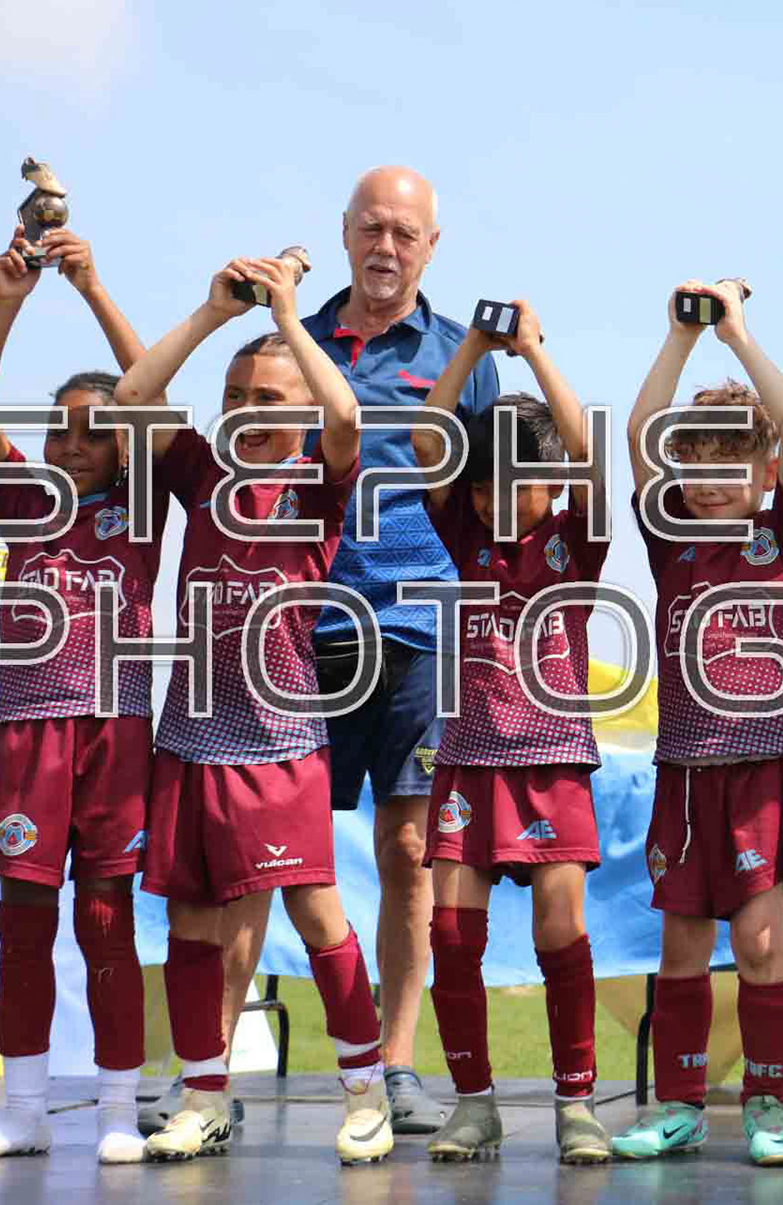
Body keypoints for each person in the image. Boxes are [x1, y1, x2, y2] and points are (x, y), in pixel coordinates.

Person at [207, 167, 499, 1137]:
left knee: (409, 849)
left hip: (422, 625)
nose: (387, 246)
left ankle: (399, 1065)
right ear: (343, 233)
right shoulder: (291, 332)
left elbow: (488, 498)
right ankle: (207, 1073)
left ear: (432, 246)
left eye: (406, 232)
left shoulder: (464, 355)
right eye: (373, 227)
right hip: (298, 626)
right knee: (263, 854)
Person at [115, 256, 392, 1166]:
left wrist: (288, 317)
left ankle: (367, 1093)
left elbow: (346, 417)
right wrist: (210, 315)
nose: (246, 411)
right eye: (235, 397)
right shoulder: (202, 472)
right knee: (193, 927)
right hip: (192, 737)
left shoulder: (318, 483)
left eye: (268, 399)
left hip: (280, 741)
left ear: (302, 412)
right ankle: (204, 1095)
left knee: (317, 919)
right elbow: (133, 396)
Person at [0, 228, 159, 1166]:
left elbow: (155, 398)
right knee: (23, 919)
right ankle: (23, 1111)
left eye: (96, 431)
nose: (73, 443)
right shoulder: (25, 504)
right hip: (30, 733)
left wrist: (93, 286)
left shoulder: (143, 505)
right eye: (59, 428)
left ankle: (117, 1110)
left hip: (118, 731)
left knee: (107, 918)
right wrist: (8, 301)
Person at [607, 280, 783, 1167]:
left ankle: (767, 1107)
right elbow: (637, 433)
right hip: (686, 769)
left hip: (761, 766)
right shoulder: (672, 537)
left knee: (762, 944)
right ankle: (682, 1106)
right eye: (694, 461)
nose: (708, 479)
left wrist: (737, 335)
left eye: (732, 462)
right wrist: (680, 338)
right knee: (681, 945)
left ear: (764, 475)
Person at [408, 301, 614, 1166]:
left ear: (552, 481)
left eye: (520, 481)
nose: (498, 498)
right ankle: (474, 1104)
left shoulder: (576, 540)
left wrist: (531, 352)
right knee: (453, 938)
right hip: (467, 763)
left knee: (559, 933)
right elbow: (426, 443)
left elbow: (592, 458)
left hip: (553, 763)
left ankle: (577, 1106)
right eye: (485, 482)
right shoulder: (462, 533)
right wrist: (470, 350)